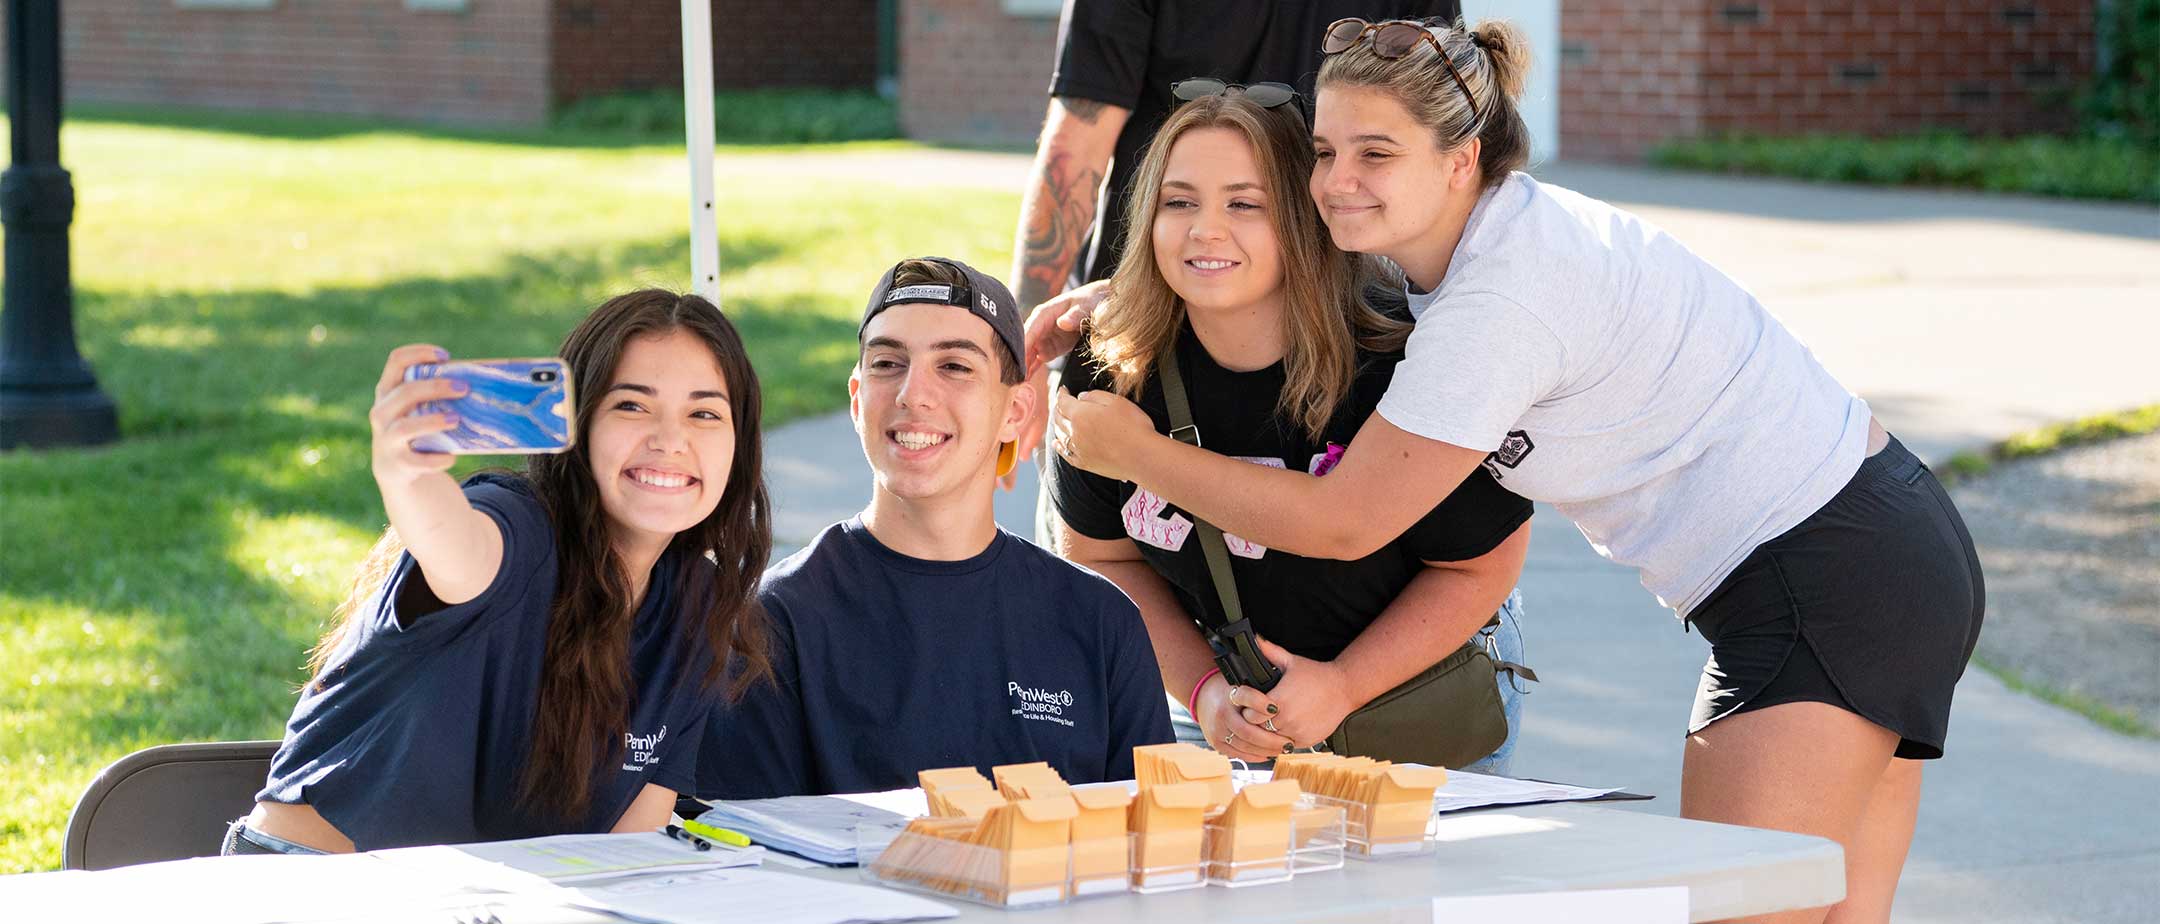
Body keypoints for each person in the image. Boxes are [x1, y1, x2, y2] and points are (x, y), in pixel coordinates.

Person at [1049, 19, 1984, 924]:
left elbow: (1344, 523)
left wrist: (1137, 454)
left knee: (1743, 906)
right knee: (1828, 911)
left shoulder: (1499, 302)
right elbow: (1262, 263)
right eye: (1324, 153)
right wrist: (1136, 291)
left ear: (1461, 161)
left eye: (1375, 153)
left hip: (1820, 577)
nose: (1336, 182)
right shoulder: (1482, 242)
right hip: (1883, 543)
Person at [1047, 87, 1534, 773]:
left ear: (1307, 220)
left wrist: (1343, 686)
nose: (1204, 231)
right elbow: (1102, 558)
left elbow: (1480, 566)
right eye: (1178, 201)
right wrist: (1202, 690)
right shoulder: (1112, 367)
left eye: (1244, 204)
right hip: (1224, 707)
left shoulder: (1401, 362)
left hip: (1410, 700)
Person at [233, 290, 773, 854]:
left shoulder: (699, 606)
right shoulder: (517, 527)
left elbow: (629, 856)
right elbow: (455, 546)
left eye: (705, 413)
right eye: (632, 406)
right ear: (578, 424)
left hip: (487, 900)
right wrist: (408, 477)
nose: (669, 440)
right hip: (312, 883)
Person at [693, 257, 1172, 800]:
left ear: (1015, 411)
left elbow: (1154, 849)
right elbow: (747, 864)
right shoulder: (773, 623)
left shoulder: (1100, 623)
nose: (912, 394)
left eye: (954, 367)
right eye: (887, 364)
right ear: (856, 400)